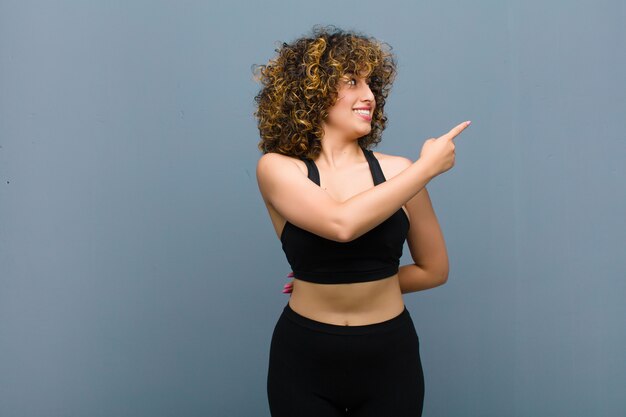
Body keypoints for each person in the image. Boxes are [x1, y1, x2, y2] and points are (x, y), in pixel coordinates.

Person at [253, 25, 470, 417]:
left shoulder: (399, 171)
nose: (368, 95)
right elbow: (341, 225)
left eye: (371, 84)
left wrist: (351, 283)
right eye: (352, 81)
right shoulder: (277, 169)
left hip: (391, 356)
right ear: (312, 92)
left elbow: (435, 270)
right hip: (304, 358)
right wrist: (427, 169)